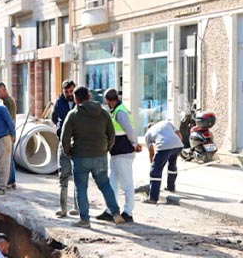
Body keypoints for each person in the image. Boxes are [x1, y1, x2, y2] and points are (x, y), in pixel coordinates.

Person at [60, 86, 126, 228]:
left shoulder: (73, 114)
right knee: (105, 184)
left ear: (76, 99)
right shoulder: (103, 113)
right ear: (89, 97)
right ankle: (115, 213)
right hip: (100, 156)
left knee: (81, 188)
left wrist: (69, 152)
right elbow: (111, 135)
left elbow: (64, 138)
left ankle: (85, 219)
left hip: (80, 157)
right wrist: (106, 149)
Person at [104, 89, 138, 223]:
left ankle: (128, 212)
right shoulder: (117, 111)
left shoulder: (120, 112)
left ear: (110, 101)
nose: (107, 105)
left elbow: (129, 129)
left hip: (123, 152)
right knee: (113, 183)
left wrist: (135, 143)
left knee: (127, 183)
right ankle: (110, 210)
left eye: (107, 102)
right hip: (117, 152)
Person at [142, 118, 183, 204]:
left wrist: (153, 165)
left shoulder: (147, 134)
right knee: (172, 165)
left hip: (164, 147)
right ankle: (171, 187)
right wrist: (177, 143)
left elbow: (151, 152)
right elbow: (179, 134)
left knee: (155, 172)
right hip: (178, 145)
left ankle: (153, 198)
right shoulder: (166, 123)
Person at [52, 81, 76, 218]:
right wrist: (60, 130)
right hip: (63, 142)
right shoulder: (59, 102)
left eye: (71, 91)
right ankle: (63, 208)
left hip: (77, 143)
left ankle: (77, 207)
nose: (68, 94)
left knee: (78, 175)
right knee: (63, 174)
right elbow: (54, 117)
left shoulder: (79, 102)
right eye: (66, 92)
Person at [0, 82, 18, 189]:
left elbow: (9, 119)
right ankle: (10, 180)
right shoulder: (5, 102)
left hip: (7, 134)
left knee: (8, 159)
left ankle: (10, 180)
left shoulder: (8, 102)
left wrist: (11, 134)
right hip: (8, 133)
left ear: (4, 90)